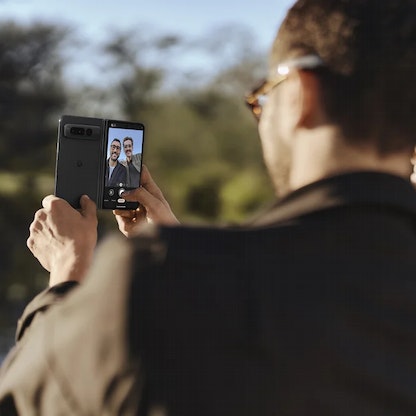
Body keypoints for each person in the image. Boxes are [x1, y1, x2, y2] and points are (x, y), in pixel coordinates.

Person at [1, 0, 416, 414]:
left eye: (263, 98)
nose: (261, 119)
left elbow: (24, 400)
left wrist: (68, 270)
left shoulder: (154, 279)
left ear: (301, 94)